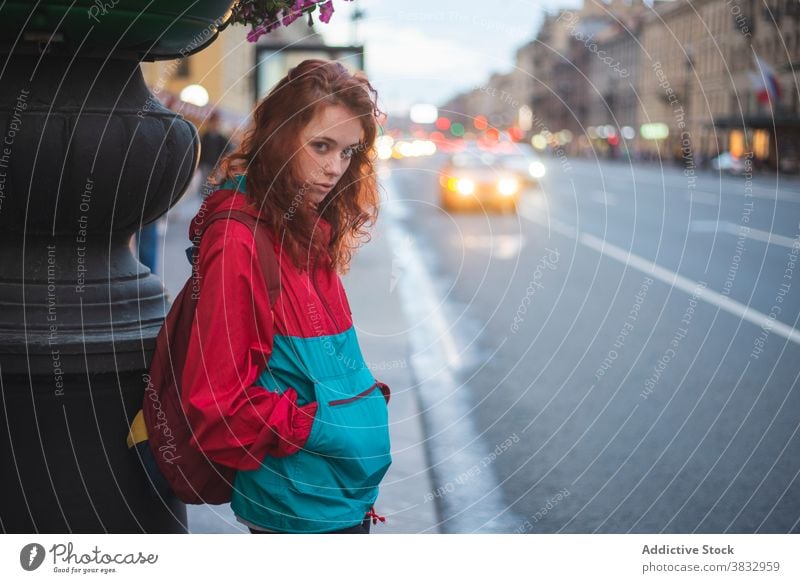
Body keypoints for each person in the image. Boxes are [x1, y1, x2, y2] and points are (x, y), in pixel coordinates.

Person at [182, 59, 392, 534]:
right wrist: (329, 428)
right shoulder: (240, 240)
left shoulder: (306, 227)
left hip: (337, 491)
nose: (335, 168)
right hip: (298, 503)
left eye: (347, 152)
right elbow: (217, 402)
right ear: (279, 138)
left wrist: (352, 417)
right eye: (321, 146)